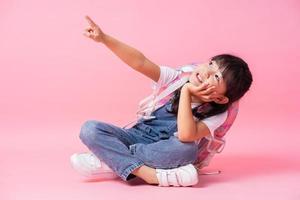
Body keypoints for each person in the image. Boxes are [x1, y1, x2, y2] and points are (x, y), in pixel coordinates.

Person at [70, 15, 253, 187]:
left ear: (220, 98)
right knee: (90, 129)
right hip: (137, 136)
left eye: (216, 77)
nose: (205, 71)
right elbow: (140, 62)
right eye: (211, 63)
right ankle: (149, 174)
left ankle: (109, 160)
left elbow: (185, 136)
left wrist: (188, 93)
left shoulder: (217, 113)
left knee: (186, 151)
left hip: (166, 148)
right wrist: (104, 39)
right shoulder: (177, 79)